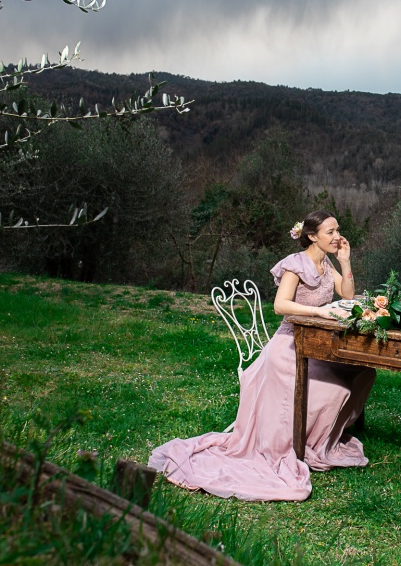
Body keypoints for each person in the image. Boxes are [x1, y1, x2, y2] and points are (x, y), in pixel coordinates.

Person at [148, 210, 376, 501]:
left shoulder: (326, 263)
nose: (337, 236)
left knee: (360, 374)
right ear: (312, 236)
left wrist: (345, 261)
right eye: (330, 232)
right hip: (288, 347)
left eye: (337, 230)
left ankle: (315, 440)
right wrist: (319, 311)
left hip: (315, 343)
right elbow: (280, 306)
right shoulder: (295, 265)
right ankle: (299, 443)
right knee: (334, 389)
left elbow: (347, 295)